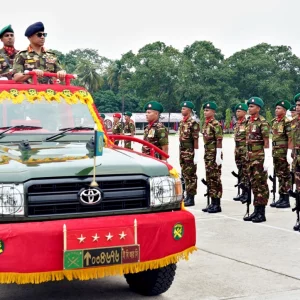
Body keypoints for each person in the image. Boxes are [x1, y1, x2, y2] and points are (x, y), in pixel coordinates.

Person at [243, 97, 270, 223]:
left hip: (259, 158)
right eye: (249, 106)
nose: (249, 108)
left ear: (258, 108)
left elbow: (266, 142)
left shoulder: (262, 122)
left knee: (261, 185)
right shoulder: (248, 121)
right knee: (253, 184)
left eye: (252, 106)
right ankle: (256, 210)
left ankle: (262, 212)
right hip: (250, 157)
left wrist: (267, 159)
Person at [270, 100, 292, 208]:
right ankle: (281, 197)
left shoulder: (287, 122)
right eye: (276, 108)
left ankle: (286, 199)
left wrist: (289, 152)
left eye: (279, 108)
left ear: (284, 110)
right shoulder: (275, 121)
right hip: (276, 152)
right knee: (279, 175)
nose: (276, 110)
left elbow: (290, 138)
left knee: (285, 176)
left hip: (283, 152)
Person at [201, 101, 223, 213]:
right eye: (204, 110)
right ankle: (212, 203)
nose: (205, 112)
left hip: (215, 154)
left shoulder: (216, 124)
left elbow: (219, 140)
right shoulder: (205, 124)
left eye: (207, 110)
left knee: (215, 179)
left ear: (213, 112)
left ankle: (217, 204)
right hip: (208, 154)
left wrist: (218, 154)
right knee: (209, 178)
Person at [179, 101, 200, 207]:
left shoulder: (193, 123)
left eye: (184, 108)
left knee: (191, 175)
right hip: (182, 150)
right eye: (182, 108)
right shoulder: (182, 122)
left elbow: (196, 139)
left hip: (189, 151)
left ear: (190, 110)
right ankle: (186, 195)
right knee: (184, 174)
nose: (182, 109)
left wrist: (196, 153)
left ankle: (191, 197)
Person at [233, 103, 249, 202]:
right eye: (236, 111)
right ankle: (242, 192)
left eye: (239, 111)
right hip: (238, 150)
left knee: (246, 172)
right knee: (240, 171)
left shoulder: (247, 123)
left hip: (245, 150)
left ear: (244, 112)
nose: (237, 112)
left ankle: (247, 193)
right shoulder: (237, 123)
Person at [291, 94, 300, 230]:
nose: (298, 107)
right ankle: (299, 218)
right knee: (298, 190)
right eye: (297, 105)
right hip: (297, 159)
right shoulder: (293, 121)